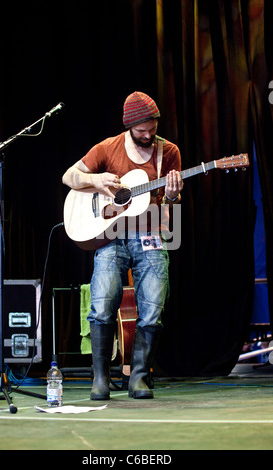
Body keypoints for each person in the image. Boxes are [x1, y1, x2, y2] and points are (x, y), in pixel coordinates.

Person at [62, 91, 183, 400]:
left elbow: (172, 201)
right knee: (101, 303)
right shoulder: (108, 147)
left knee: (153, 307)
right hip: (111, 235)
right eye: (141, 130)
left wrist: (171, 195)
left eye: (152, 128)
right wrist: (99, 179)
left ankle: (139, 378)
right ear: (129, 126)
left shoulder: (168, 152)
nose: (147, 135)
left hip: (150, 234)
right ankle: (100, 378)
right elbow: (69, 176)